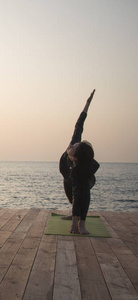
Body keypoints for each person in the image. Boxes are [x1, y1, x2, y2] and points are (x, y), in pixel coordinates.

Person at [59, 89, 100, 234]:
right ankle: (75, 214)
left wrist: (78, 225)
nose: (74, 144)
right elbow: (79, 124)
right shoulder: (75, 143)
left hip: (84, 178)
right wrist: (87, 105)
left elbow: (80, 191)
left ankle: (80, 222)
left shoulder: (81, 167)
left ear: (75, 157)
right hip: (69, 177)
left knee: (82, 192)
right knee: (74, 196)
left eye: (75, 147)